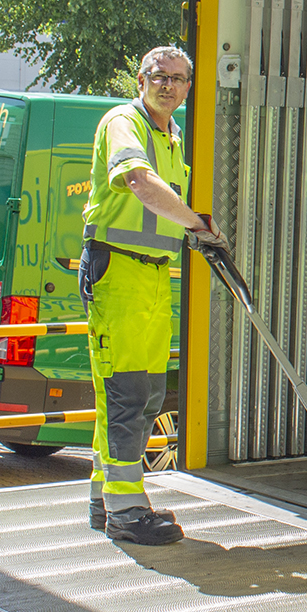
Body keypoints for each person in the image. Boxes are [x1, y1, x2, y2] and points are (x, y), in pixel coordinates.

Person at [79, 46, 227, 545]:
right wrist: (197, 224)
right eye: (159, 77)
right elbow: (141, 185)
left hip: (150, 276)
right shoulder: (125, 121)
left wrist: (191, 231)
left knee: (146, 393)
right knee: (125, 391)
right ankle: (126, 509)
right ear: (141, 80)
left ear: (188, 88)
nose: (169, 86)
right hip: (116, 271)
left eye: (179, 80)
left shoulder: (173, 136)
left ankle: (106, 498)